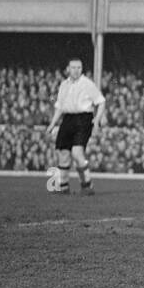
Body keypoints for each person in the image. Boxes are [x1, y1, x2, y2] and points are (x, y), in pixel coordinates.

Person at [47, 58, 105, 194]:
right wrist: (52, 124)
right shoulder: (64, 85)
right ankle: (63, 186)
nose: (76, 70)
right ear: (68, 69)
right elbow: (60, 107)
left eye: (79, 67)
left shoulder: (87, 84)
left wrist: (96, 120)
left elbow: (101, 101)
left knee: (77, 152)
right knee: (63, 153)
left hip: (83, 118)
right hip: (68, 119)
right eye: (73, 67)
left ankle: (87, 185)